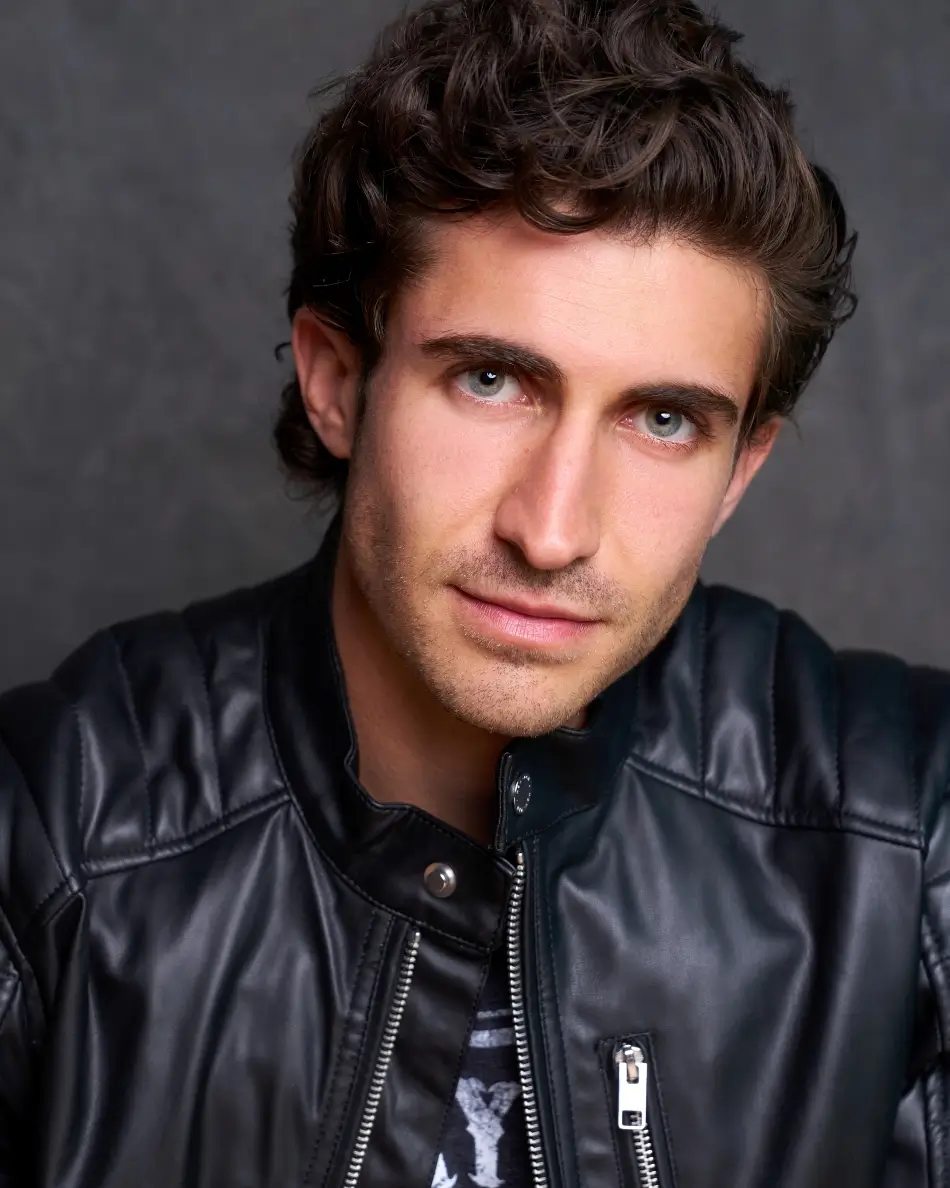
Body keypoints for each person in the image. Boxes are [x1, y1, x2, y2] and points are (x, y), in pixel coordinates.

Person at [1, 0, 947, 1184]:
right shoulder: (52, 835)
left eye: (662, 421)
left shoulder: (906, 842)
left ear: (736, 471)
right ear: (337, 381)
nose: (551, 532)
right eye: (492, 380)